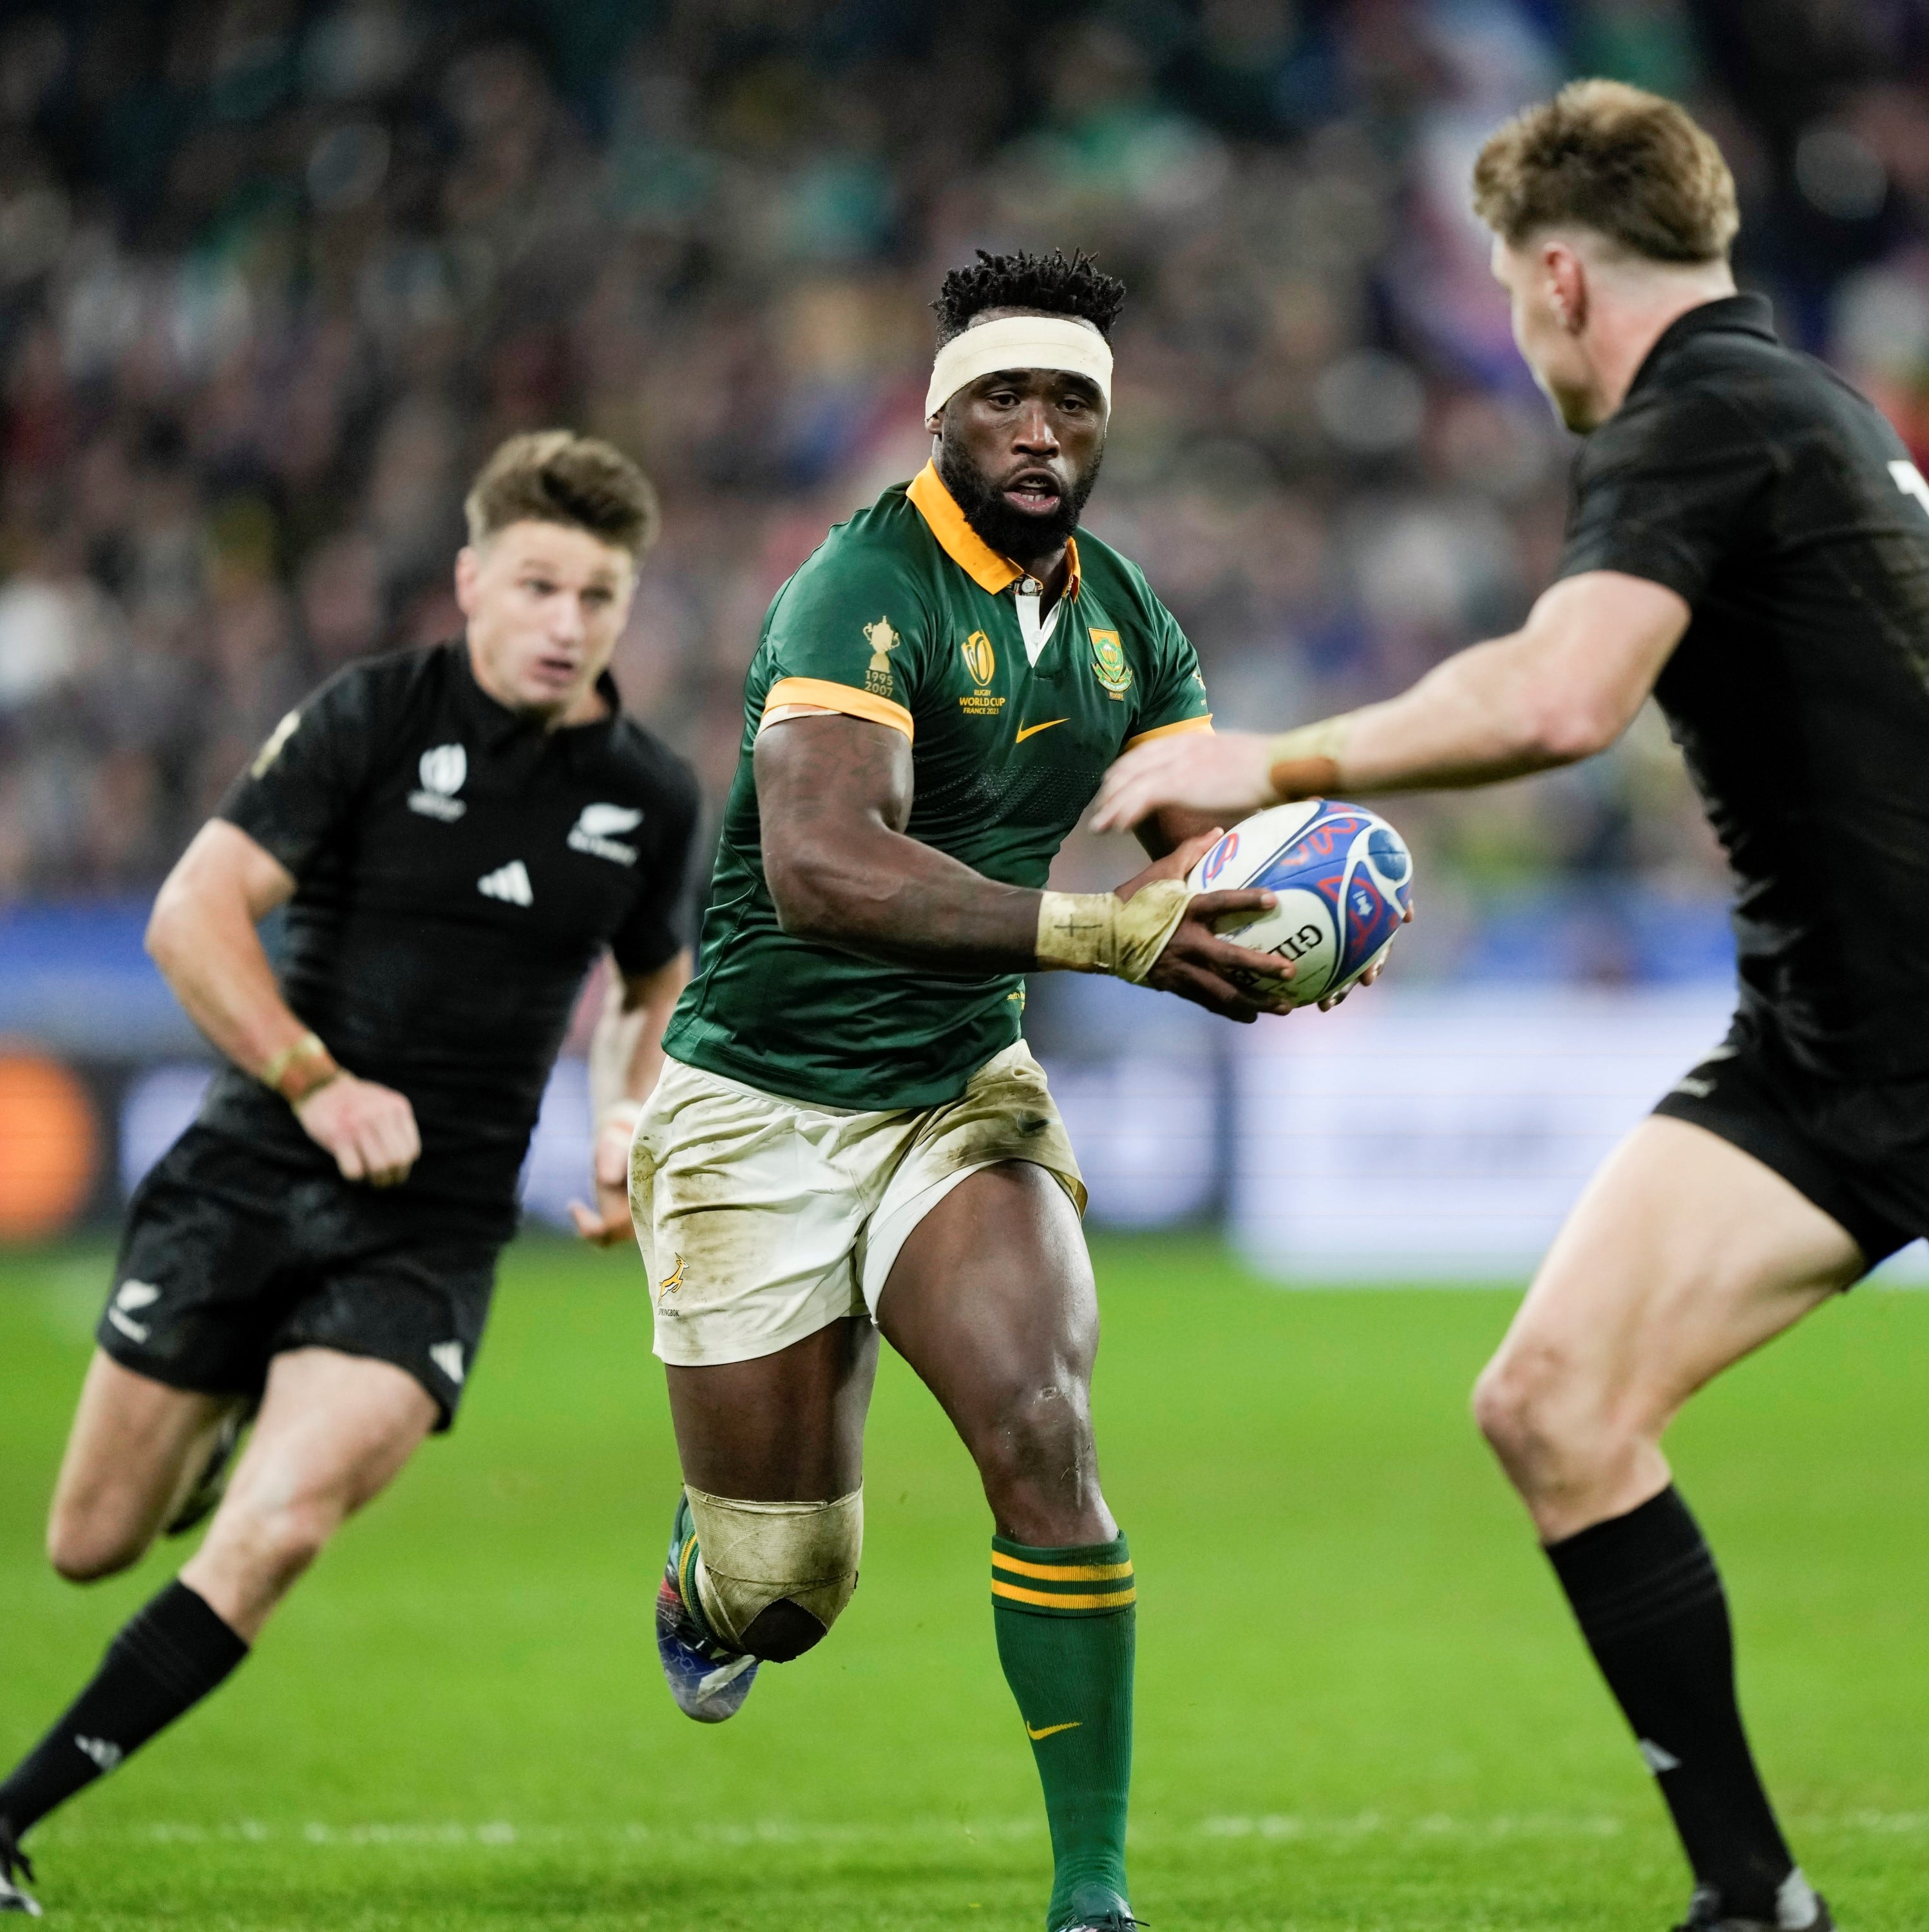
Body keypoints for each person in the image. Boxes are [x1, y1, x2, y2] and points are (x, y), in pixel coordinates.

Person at [1088, 81, 1929, 1932]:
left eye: (1508, 290)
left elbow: (1562, 698)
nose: (1513, 327)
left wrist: (1266, 757)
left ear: (1561, 276)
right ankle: (1758, 1902)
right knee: (1553, 1404)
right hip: (1827, 1048)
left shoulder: (1700, 414)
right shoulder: (1822, 416)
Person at [0, 433, 702, 1915]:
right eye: (538, 586)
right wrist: (315, 1081)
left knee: (280, 1531)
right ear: (470, 582)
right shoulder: (370, 720)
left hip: (434, 1230)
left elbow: (654, 988)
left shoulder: (650, 793)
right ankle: (214, 1424)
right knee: (91, 1543)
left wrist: (624, 1121)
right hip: (258, 1168)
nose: (566, 623)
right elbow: (193, 913)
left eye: (599, 596)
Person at [625, 248, 1296, 1932]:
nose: (1040, 427)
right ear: (939, 418)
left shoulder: (1132, 624)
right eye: (1004, 394)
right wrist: (1098, 932)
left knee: (1041, 1428)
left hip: (954, 1092)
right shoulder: (855, 591)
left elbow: (1186, 848)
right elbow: (819, 866)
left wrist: (1302, 893)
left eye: (1072, 399)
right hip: (757, 1104)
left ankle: (1091, 1897)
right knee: (785, 1588)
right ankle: (705, 1593)